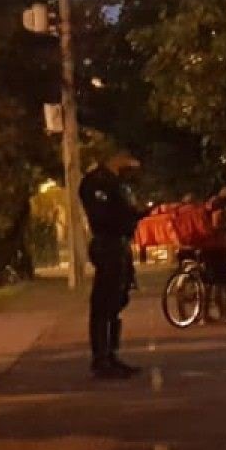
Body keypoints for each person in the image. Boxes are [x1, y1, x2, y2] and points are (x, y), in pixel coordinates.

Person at [79, 151, 145, 378]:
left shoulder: (116, 183)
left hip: (119, 244)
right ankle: (101, 359)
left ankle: (111, 354)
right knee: (104, 302)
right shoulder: (98, 182)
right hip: (107, 244)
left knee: (117, 300)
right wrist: (127, 215)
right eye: (129, 161)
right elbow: (104, 214)